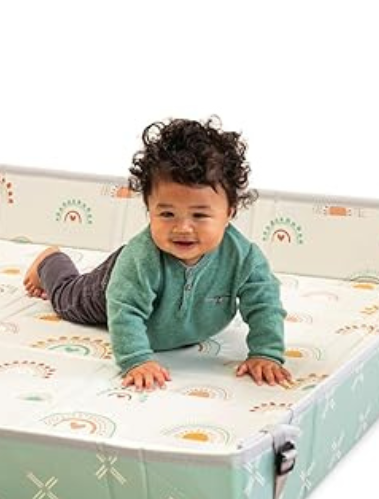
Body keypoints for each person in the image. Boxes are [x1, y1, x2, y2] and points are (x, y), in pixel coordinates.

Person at [23, 116, 293, 391]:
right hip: (111, 286)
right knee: (67, 299)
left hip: (166, 317)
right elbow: (125, 310)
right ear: (149, 209)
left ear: (229, 213)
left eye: (200, 215)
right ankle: (50, 261)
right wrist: (137, 360)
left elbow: (265, 305)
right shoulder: (140, 259)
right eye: (167, 214)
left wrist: (265, 353)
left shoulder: (244, 259)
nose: (183, 228)